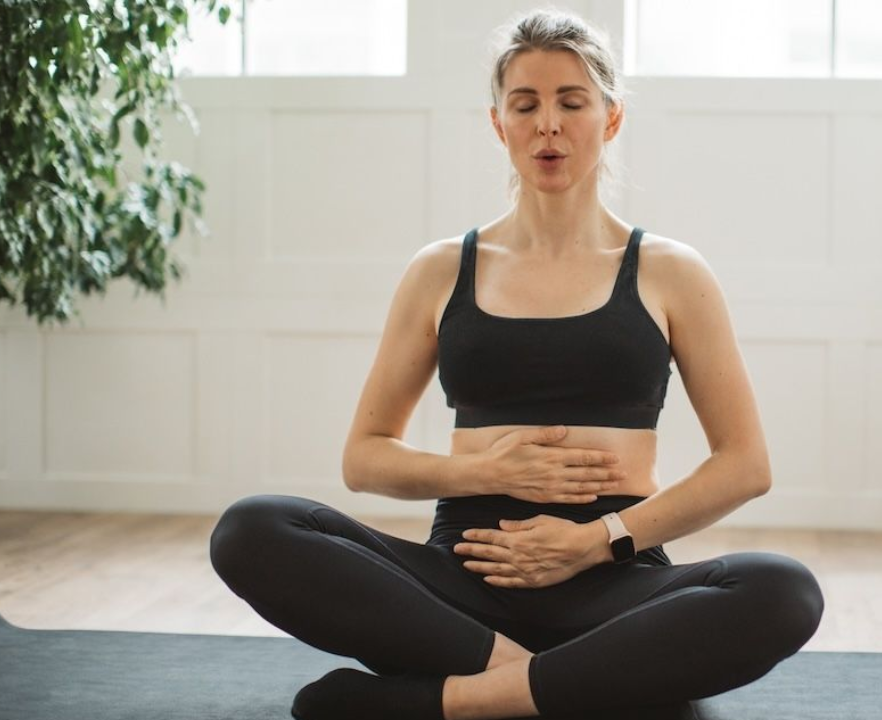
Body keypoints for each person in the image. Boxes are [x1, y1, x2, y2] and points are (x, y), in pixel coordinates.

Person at [208, 8, 824, 720]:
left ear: (612, 117)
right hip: (458, 585)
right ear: (498, 123)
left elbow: (745, 465)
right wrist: (484, 473)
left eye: (572, 101)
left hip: (612, 585)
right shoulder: (440, 269)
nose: (549, 124)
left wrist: (596, 543)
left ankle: (448, 703)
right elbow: (365, 459)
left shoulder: (671, 272)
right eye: (525, 104)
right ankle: (565, 684)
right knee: (251, 528)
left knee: (784, 590)